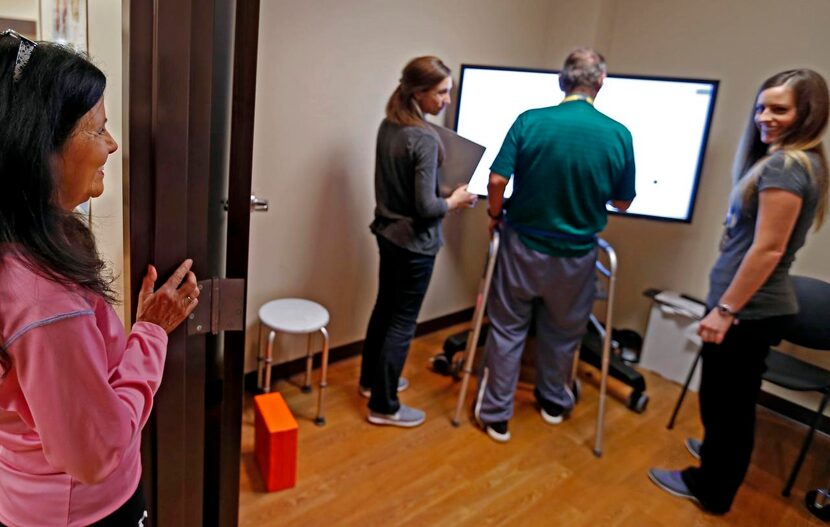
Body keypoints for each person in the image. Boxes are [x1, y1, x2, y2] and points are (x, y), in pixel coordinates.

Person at [0, 31, 198, 526]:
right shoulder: (45, 300)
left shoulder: (24, 240)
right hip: (84, 512)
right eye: (97, 130)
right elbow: (95, 452)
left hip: (24, 493)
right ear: (37, 148)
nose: (112, 145)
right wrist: (150, 335)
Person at [649, 69, 829, 514]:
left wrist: (726, 310)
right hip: (753, 308)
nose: (764, 117)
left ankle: (711, 487)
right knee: (729, 404)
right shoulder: (800, 161)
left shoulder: (787, 166)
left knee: (726, 406)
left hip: (747, 312)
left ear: (807, 114)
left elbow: (767, 250)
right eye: (761, 107)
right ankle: (718, 459)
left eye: (779, 109)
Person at [474, 47, 636, 443]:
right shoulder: (618, 133)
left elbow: (496, 181)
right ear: (600, 83)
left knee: (509, 328)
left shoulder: (531, 121)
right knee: (563, 333)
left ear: (562, 81)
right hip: (576, 254)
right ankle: (551, 402)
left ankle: (496, 415)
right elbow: (623, 200)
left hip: (523, 246)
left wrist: (495, 215)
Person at [359, 56, 477, 427]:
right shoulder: (423, 137)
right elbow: (426, 207)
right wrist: (455, 200)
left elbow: (405, 192)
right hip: (415, 245)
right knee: (402, 322)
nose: (446, 100)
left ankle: (371, 382)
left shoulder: (389, 125)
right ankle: (384, 405)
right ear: (419, 92)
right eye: (441, 93)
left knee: (384, 309)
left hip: (388, 235)